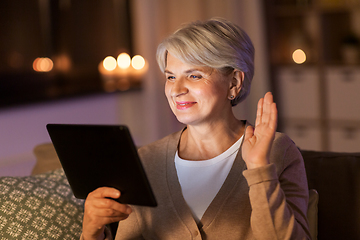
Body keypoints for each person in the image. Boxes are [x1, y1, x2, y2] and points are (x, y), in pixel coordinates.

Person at [81, 18, 310, 240]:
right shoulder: (147, 161)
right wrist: (91, 233)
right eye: (171, 77)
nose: (177, 89)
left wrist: (259, 167)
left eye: (194, 75)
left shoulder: (278, 151)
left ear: (234, 82)